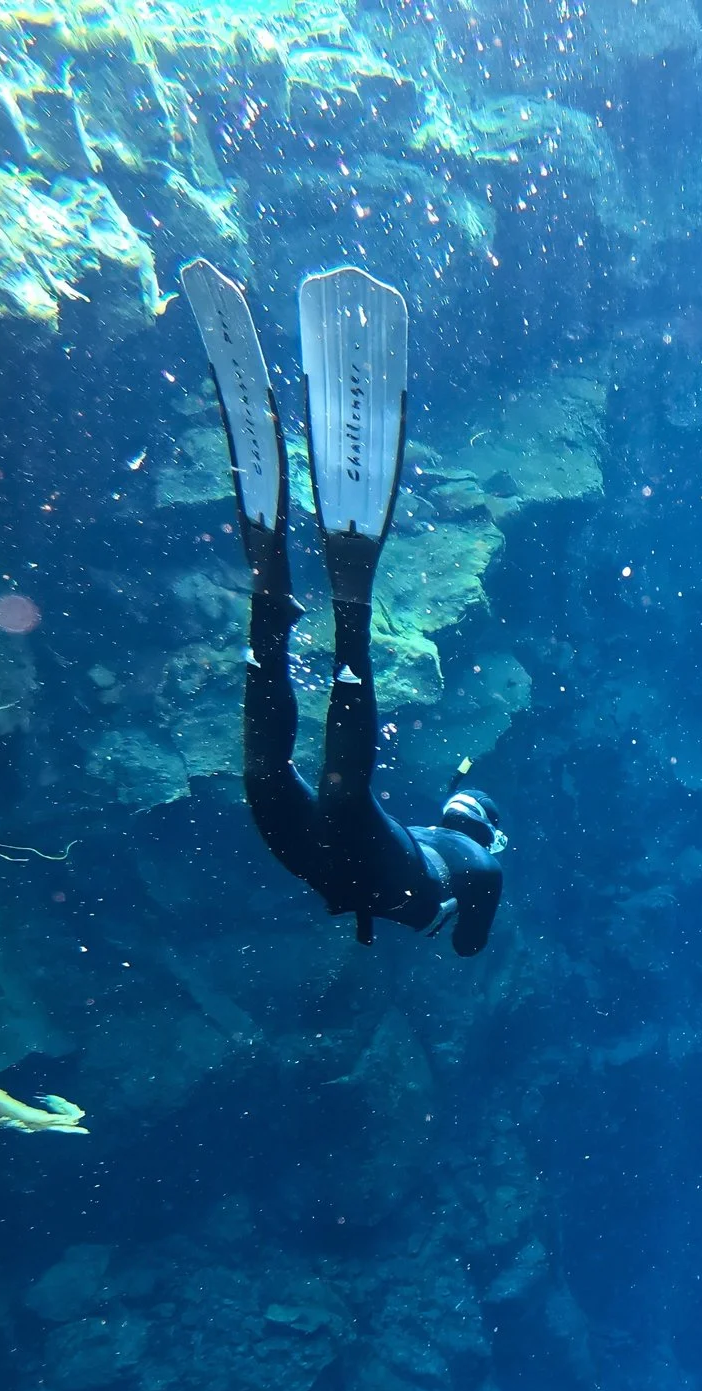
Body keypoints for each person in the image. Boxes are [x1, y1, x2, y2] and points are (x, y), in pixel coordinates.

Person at [181, 259, 504, 953]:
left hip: (355, 857)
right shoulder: (482, 865)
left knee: (329, 789)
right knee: (277, 779)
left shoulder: (447, 842)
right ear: (487, 829)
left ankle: (319, 615)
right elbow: (468, 945)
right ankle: (279, 615)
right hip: (332, 864)